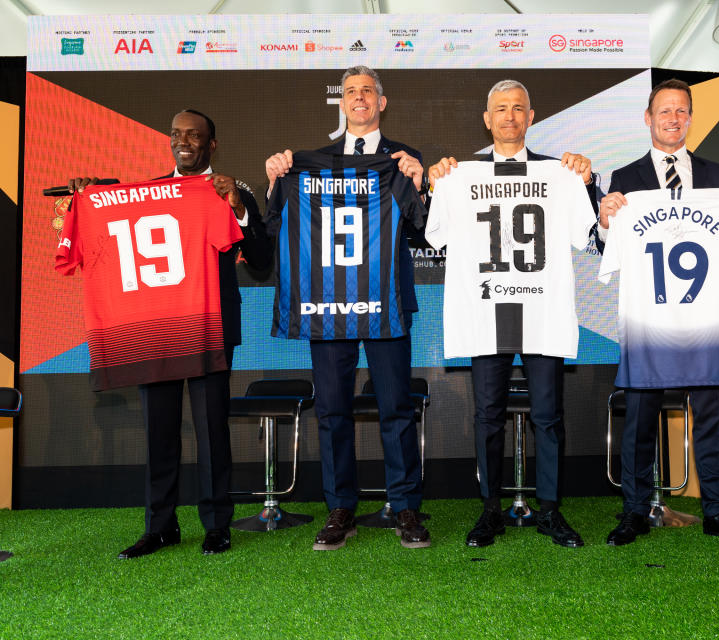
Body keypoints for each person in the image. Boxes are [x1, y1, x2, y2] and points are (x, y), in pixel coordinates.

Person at [68, 109, 273, 558]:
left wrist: (238, 208)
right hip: (156, 327)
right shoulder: (148, 194)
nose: (185, 141)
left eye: (195, 135)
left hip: (211, 328)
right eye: (177, 134)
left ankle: (217, 525)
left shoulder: (231, 191)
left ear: (211, 145)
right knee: (159, 431)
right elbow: (106, 233)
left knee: (211, 431)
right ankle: (160, 526)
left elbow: (261, 261)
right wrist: (88, 197)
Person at [596, 78, 719, 550]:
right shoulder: (625, 179)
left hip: (707, 318)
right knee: (641, 417)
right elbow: (605, 245)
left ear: (690, 118)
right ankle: (634, 511)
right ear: (648, 119)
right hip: (651, 321)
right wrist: (606, 220)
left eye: (682, 111)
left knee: (711, 414)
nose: (673, 118)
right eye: (664, 110)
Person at [263, 65, 430, 550]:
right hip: (325, 303)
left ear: (382, 103)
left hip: (387, 302)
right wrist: (275, 180)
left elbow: (421, 230)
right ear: (341, 103)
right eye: (352, 91)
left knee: (395, 406)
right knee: (332, 410)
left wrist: (420, 185)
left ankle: (406, 508)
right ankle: (340, 509)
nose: (359, 98)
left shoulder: (403, 159)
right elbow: (275, 228)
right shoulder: (308, 162)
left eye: (368, 92)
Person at [427, 80, 596, 548]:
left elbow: (587, 233)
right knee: (487, 415)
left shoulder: (558, 173)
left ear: (531, 116)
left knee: (548, 415)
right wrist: (436, 182)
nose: (509, 116)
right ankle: (488, 511)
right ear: (487, 118)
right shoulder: (458, 174)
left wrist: (586, 179)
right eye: (500, 108)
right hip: (485, 310)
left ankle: (551, 511)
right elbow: (434, 235)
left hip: (542, 309)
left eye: (518, 108)